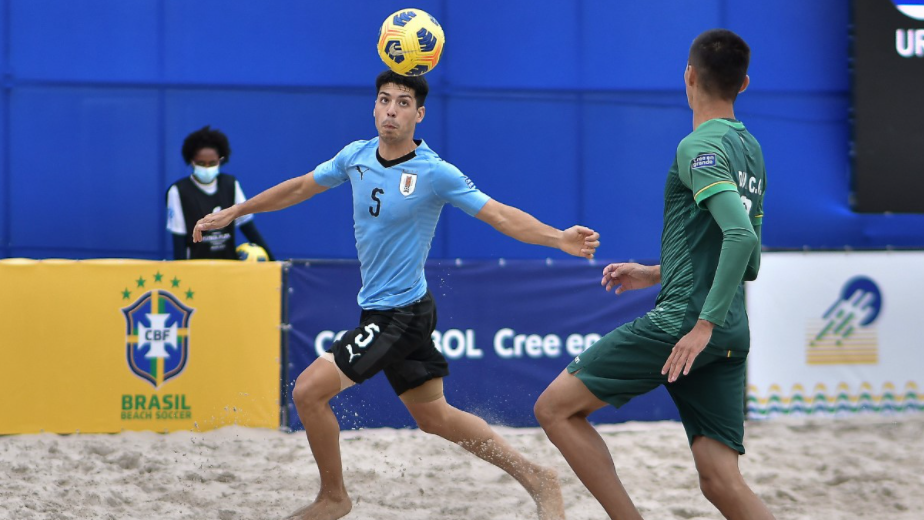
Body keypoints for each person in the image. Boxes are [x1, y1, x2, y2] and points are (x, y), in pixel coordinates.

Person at [192, 70, 600, 520]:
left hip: (400, 315)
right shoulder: (356, 156)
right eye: (384, 100)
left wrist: (557, 238)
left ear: (419, 114)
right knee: (435, 417)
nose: (391, 109)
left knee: (308, 393)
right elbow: (298, 188)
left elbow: (500, 215)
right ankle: (537, 477)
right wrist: (236, 210)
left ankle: (333, 498)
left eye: (403, 103)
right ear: (373, 107)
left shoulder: (434, 172)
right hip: (391, 308)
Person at [533, 29, 775, 520]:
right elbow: (743, 259)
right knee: (721, 481)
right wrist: (654, 273)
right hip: (729, 327)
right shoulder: (751, 151)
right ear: (744, 84)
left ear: (688, 76)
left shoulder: (698, 147)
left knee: (554, 409)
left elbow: (741, 241)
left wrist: (699, 325)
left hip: (688, 324)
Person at [166, 125, 274, 260]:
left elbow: (248, 227)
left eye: (212, 163)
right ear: (191, 161)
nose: (207, 167)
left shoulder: (230, 184)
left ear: (220, 160)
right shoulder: (178, 191)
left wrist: (273, 262)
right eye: (201, 163)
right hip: (196, 268)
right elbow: (179, 240)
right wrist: (180, 274)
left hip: (227, 267)